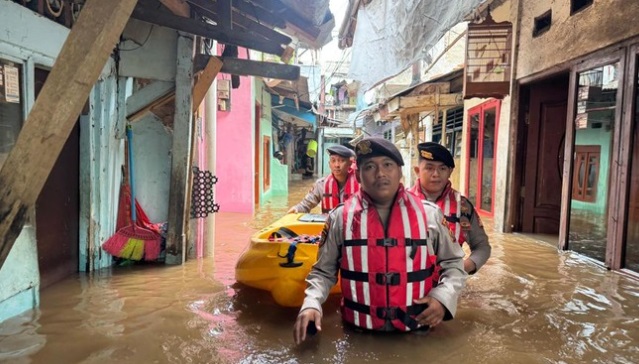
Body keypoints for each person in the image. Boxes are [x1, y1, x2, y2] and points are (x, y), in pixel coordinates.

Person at [293, 137, 467, 344]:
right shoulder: (340, 218)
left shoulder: (429, 215)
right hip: (358, 334)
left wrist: (443, 297)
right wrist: (312, 303)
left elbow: (454, 264)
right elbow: (323, 271)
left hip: (417, 332)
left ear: (400, 171)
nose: (380, 173)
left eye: (387, 165)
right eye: (370, 166)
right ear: (358, 175)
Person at [407, 142, 491, 275]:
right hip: (410, 284)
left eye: (442, 168)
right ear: (417, 171)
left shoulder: (463, 207)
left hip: (451, 285)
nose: (436, 174)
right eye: (429, 168)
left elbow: (482, 246)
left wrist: (464, 267)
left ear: (450, 172)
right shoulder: (401, 204)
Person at [287, 145, 359, 214]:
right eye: (333, 161)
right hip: (330, 225)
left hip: (353, 225)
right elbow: (305, 205)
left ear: (350, 163)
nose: (336, 165)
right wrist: (297, 208)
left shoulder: (361, 184)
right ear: (329, 164)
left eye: (341, 161)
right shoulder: (321, 184)